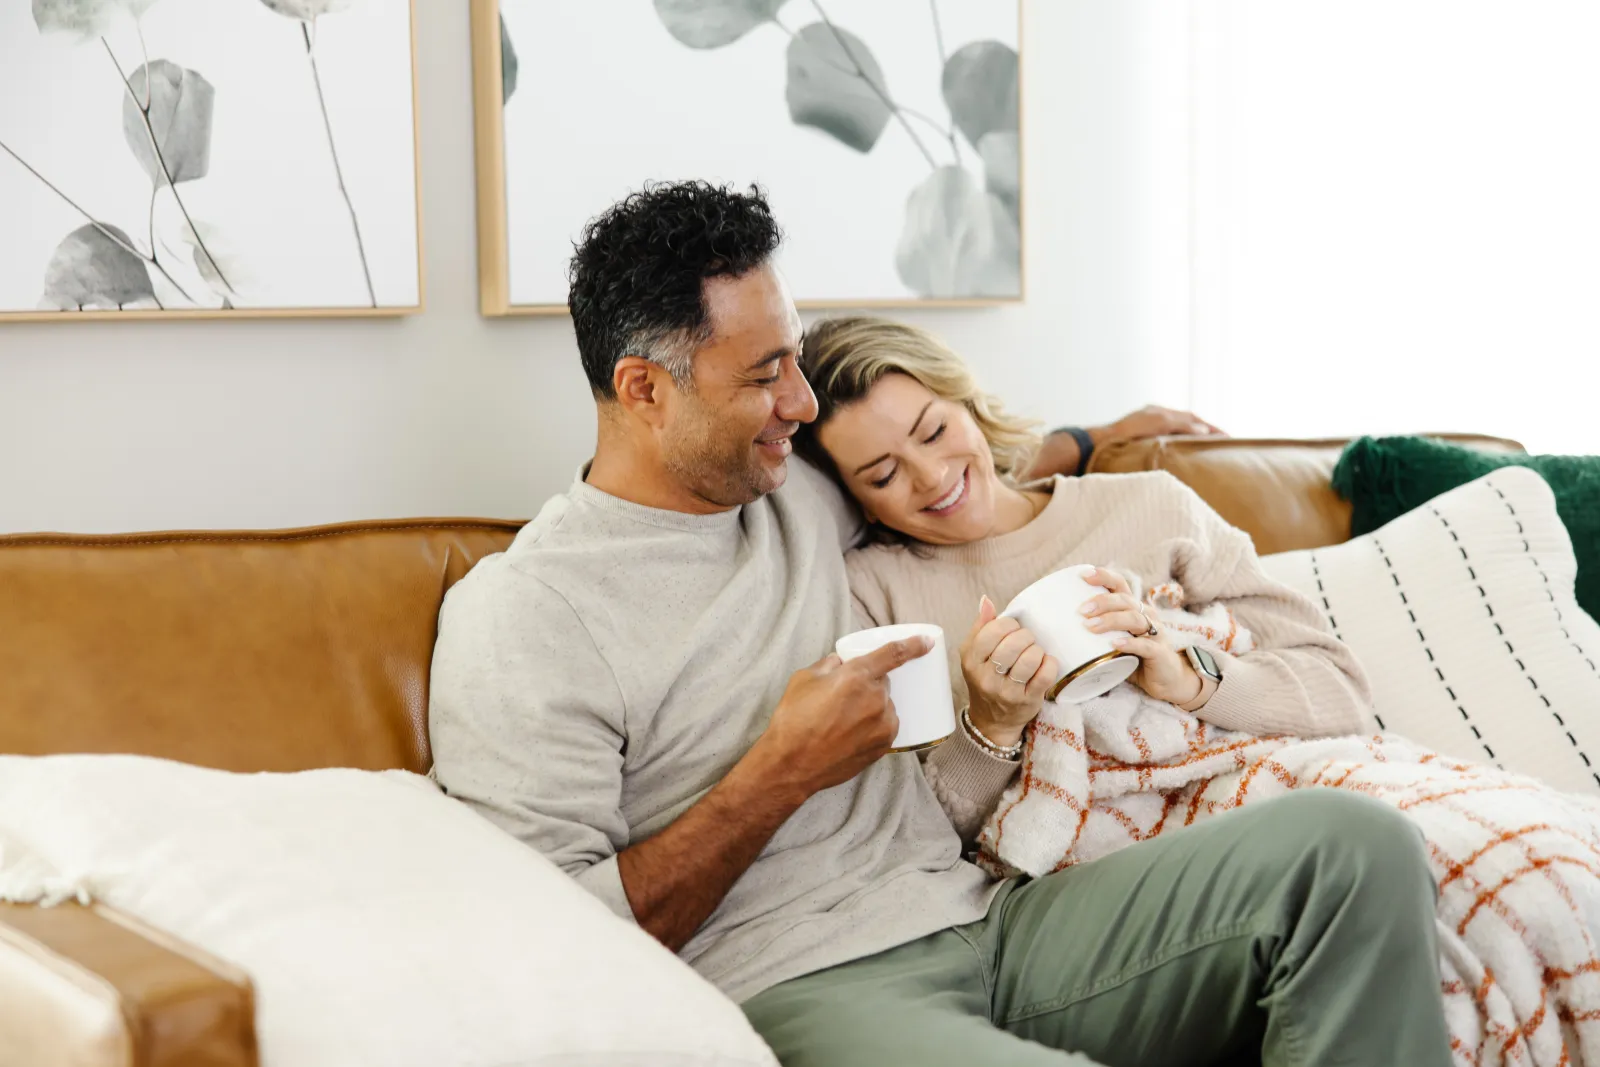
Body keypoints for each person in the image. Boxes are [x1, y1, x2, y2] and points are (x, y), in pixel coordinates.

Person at [427, 181, 1450, 1067]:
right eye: (764, 374)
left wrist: (1092, 438)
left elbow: (940, 473)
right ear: (644, 389)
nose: (799, 401)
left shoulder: (791, 489)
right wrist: (778, 772)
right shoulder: (526, 617)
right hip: (802, 979)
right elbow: (548, 936)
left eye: (795, 358)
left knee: (1353, 846)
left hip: (990, 918)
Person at [793, 315, 1370, 818]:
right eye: (883, 475)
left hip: (1269, 799)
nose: (932, 476)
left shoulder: (1153, 504)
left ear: (967, 404)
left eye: (935, 431)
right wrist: (991, 727)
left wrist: (1187, 676)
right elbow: (908, 836)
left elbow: (1341, 692)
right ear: (856, 501)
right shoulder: (874, 598)